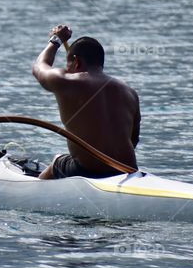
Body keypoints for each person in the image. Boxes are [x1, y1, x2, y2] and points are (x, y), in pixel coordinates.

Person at [32, 25, 140, 179]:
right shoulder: (129, 92)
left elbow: (38, 67)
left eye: (68, 64)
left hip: (88, 171)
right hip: (128, 170)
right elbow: (133, 140)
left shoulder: (68, 81)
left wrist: (56, 40)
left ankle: (34, 191)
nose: (67, 69)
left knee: (57, 162)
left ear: (76, 62)